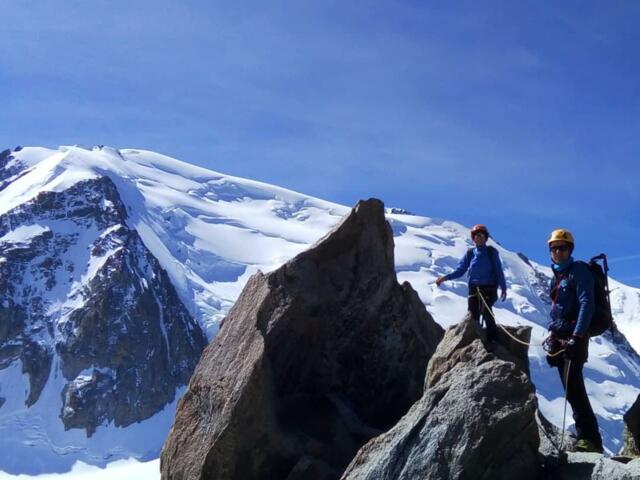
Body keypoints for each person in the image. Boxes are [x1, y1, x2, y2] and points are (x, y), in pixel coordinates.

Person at [545, 228, 603, 453]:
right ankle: (586, 437)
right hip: (561, 337)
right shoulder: (557, 276)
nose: (558, 252)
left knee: (575, 388)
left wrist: (577, 337)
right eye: (554, 248)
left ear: (570, 250)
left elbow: (587, 303)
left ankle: (590, 440)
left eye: (562, 248)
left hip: (574, 337)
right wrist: (553, 335)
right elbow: (557, 310)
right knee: (571, 389)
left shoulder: (578, 271)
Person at [435, 224, 507, 343]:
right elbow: (460, 270)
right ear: (473, 238)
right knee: (473, 315)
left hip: (489, 288)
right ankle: (476, 340)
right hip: (474, 289)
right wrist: (445, 278)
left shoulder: (491, 252)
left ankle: (493, 339)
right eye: (476, 235)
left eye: (481, 235)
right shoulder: (470, 253)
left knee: (486, 311)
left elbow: (498, 270)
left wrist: (503, 287)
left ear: (485, 237)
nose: (479, 237)